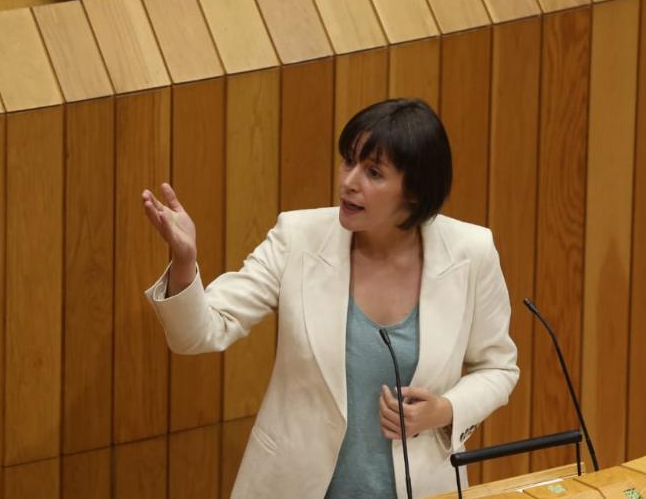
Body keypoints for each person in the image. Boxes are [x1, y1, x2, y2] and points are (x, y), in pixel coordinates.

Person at [142, 98, 519, 499]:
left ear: (414, 191)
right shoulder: (298, 238)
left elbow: (498, 368)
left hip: (421, 489)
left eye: (373, 172)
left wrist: (444, 410)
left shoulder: (471, 252)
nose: (349, 181)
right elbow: (199, 333)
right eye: (348, 161)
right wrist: (185, 262)